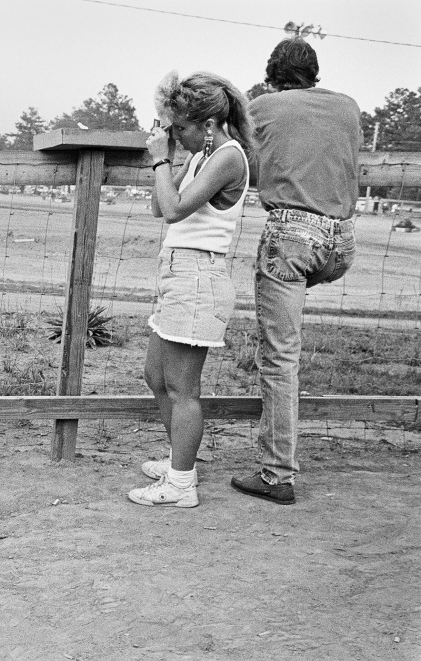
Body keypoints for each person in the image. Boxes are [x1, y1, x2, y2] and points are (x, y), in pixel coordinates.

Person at [230, 38, 360, 505]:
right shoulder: (348, 107)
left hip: (291, 236)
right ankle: (276, 464)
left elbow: (239, 153)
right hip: (341, 242)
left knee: (281, 358)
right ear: (315, 72)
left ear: (271, 75)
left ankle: (276, 474)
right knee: (288, 343)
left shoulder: (264, 106)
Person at [128, 71, 251, 509]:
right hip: (180, 273)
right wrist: (176, 154)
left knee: (182, 387)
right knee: (156, 376)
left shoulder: (229, 157)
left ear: (211, 123)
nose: (174, 134)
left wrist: (161, 159)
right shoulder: (204, 154)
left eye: (182, 126)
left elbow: (176, 210)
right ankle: (181, 462)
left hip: (199, 275)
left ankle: (181, 486)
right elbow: (158, 206)